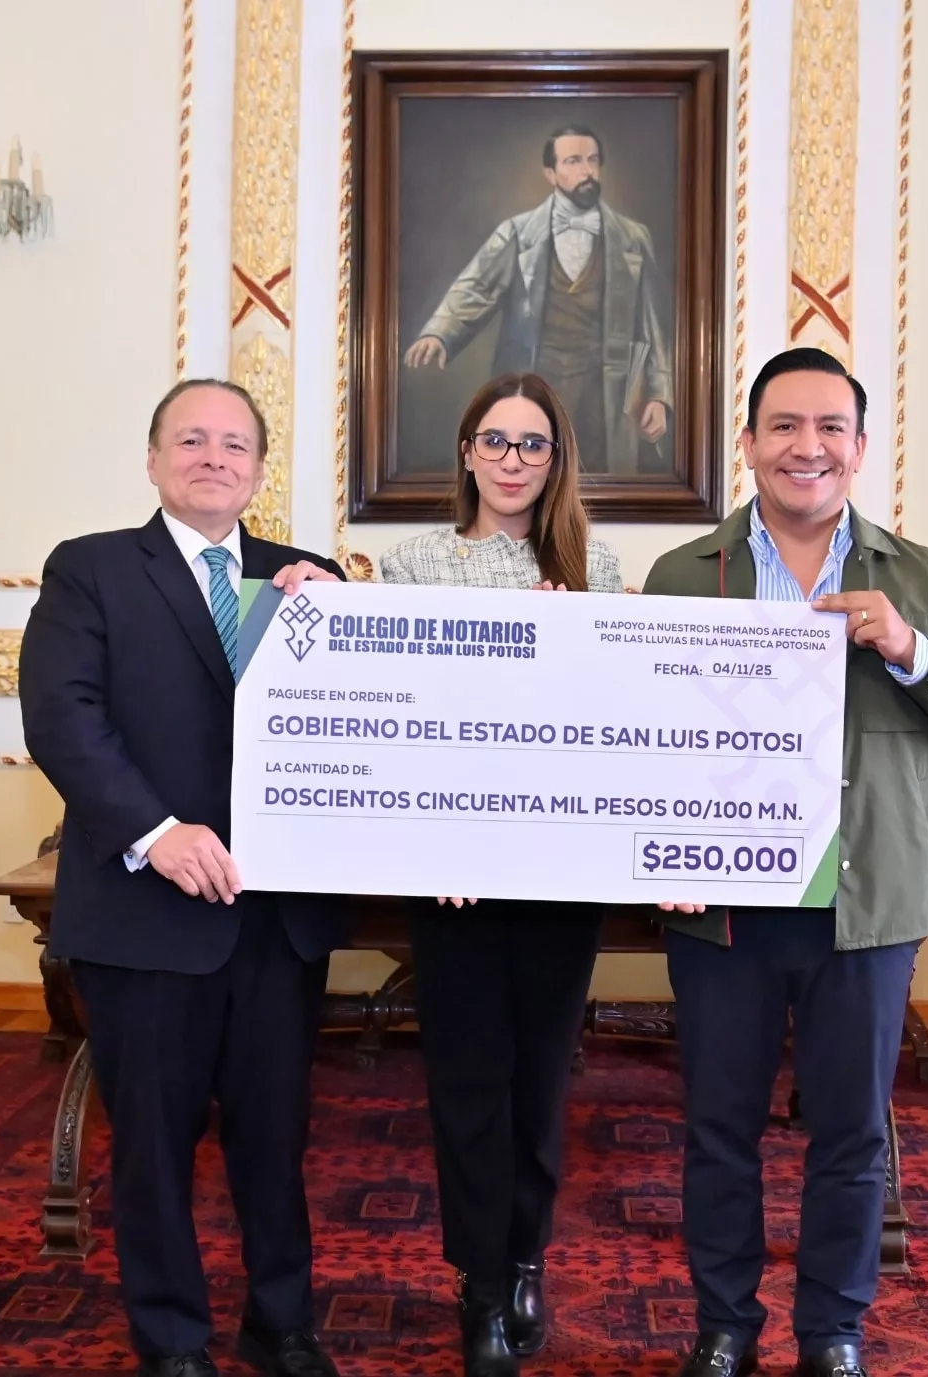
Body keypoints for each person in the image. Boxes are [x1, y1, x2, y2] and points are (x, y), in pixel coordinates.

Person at [641, 347, 928, 1377]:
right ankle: (725, 1325)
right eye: (783, 426)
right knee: (717, 1128)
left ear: (857, 447)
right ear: (749, 442)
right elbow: (643, 737)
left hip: (866, 905)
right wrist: (648, 847)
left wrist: (910, 649)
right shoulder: (684, 575)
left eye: (827, 428)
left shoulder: (920, 576)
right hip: (722, 904)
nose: (804, 447)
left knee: (851, 1135)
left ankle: (832, 1332)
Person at [18, 380, 350, 1377]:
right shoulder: (90, 570)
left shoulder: (308, 578)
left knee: (275, 1137)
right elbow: (63, 718)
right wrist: (155, 832)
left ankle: (281, 1323)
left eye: (235, 444)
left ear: (259, 468)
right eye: (192, 440)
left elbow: (365, 722)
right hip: (146, 912)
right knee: (154, 1143)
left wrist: (347, 624)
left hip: (276, 922)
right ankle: (170, 1337)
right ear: (154, 459)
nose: (215, 457)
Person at [379, 372, 622, 1377]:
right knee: (467, 1081)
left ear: (556, 459)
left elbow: (616, 722)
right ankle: (479, 1283)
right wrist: (437, 839)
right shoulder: (408, 564)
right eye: (496, 440)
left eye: (533, 444)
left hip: (559, 870)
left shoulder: (597, 568)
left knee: (539, 1079)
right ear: (466, 451)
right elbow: (396, 711)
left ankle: (526, 1259)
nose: (513, 460)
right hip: (452, 875)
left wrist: (576, 646)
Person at [403, 125, 672, 474]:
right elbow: (476, 288)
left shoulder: (634, 238)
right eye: (573, 161)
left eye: (592, 160)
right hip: (533, 392)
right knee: (530, 478)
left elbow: (652, 327)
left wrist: (659, 396)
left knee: (595, 484)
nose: (587, 171)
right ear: (550, 173)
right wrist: (439, 333)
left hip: (604, 397)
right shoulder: (517, 233)